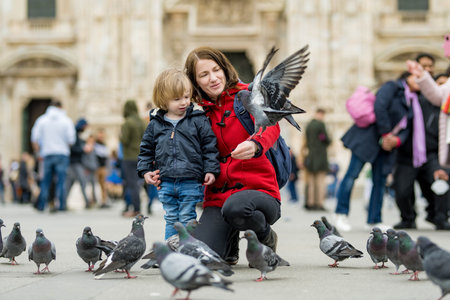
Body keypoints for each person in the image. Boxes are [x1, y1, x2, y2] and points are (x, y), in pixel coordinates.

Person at [177, 46, 282, 264]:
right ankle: (229, 243)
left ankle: (265, 236)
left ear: (225, 68)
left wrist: (256, 144)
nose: (213, 78)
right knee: (199, 257)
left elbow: (271, 126)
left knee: (237, 207)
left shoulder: (247, 95)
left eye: (216, 70)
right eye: (204, 75)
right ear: (195, 81)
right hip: (218, 196)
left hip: (258, 191)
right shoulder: (197, 113)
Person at [137, 68, 220, 239]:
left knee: (187, 217)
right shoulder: (155, 124)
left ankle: (188, 251)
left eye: (186, 97)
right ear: (163, 100)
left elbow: (209, 147)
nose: (183, 102)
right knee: (171, 218)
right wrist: (145, 171)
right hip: (166, 181)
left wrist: (211, 169)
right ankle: (170, 253)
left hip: (190, 180)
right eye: (177, 99)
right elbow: (146, 150)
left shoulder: (198, 120)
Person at [334, 72, 413, 232]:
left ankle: (374, 220)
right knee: (352, 175)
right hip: (368, 139)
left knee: (379, 181)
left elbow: (409, 126)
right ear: (407, 78)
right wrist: (386, 134)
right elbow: (380, 107)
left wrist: (395, 140)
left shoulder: (414, 101)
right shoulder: (393, 88)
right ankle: (340, 214)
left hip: (387, 145)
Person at [392, 71, 450, 230]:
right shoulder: (416, 102)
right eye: (439, 84)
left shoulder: (446, 109)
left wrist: (442, 164)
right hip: (408, 155)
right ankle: (408, 218)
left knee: (441, 180)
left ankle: (439, 217)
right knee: (402, 190)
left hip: (432, 155)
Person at [31, 100, 75, 211]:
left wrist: (38, 152)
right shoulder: (66, 121)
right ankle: (61, 205)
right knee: (61, 180)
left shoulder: (42, 120)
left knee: (46, 181)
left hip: (47, 154)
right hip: (62, 154)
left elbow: (34, 138)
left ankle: (42, 205)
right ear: (60, 107)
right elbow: (71, 140)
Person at [120, 99, 146, 217]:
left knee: (132, 184)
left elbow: (124, 140)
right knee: (139, 183)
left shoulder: (127, 123)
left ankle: (136, 209)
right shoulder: (142, 122)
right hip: (141, 157)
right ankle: (138, 208)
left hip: (129, 157)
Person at [304, 108, 331, 210]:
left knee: (310, 181)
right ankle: (319, 203)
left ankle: (310, 203)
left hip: (310, 156)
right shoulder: (320, 125)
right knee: (320, 181)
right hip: (320, 157)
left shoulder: (309, 125)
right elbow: (326, 139)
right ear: (321, 114)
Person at [65, 118, 92, 208]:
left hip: (74, 162)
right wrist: (83, 149)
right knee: (82, 182)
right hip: (74, 163)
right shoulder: (74, 134)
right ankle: (87, 202)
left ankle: (63, 202)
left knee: (70, 183)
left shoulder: (76, 134)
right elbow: (72, 148)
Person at [94, 129, 110, 208]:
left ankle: (104, 201)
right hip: (96, 167)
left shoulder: (104, 145)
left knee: (103, 185)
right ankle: (94, 200)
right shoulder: (95, 144)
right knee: (94, 184)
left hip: (103, 167)